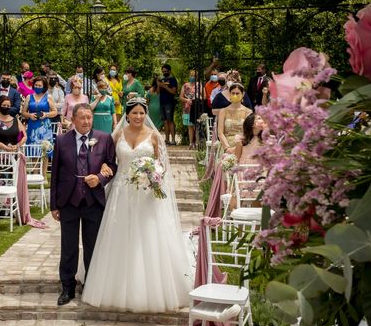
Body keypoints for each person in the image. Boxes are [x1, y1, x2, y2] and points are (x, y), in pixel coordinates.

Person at [81, 97, 194, 312]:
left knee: (147, 236)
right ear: (127, 114)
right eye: (134, 113)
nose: (139, 117)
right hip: (121, 192)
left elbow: (162, 166)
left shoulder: (154, 136)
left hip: (146, 194)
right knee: (120, 236)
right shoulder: (117, 135)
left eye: (142, 113)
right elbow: (107, 159)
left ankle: (151, 289)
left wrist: (154, 176)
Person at [50, 104, 117, 306]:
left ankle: (91, 284)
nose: (87, 121)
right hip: (68, 200)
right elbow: (55, 173)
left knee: (92, 246)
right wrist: (54, 204)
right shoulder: (62, 140)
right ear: (73, 119)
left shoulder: (104, 139)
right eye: (82, 118)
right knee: (68, 246)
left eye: (89, 118)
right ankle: (67, 287)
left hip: (93, 201)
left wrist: (99, 179)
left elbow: (112, 165)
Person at [217, 83, 252, 153]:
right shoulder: (223, 111)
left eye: (237, 93)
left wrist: (240, 146)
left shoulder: (248, 112)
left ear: (243, 94)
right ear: (229, 94)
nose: (235, 95)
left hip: (242, 145)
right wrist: (227, 148)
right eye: (233, 93)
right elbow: (220, 133)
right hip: (226, 146)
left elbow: (249, 133)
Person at [23, 77, 57, 144]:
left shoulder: (48, 97)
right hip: (32, 125)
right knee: (31, 147)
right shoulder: (29, 97)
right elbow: (23, 112)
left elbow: (55, 112)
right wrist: (29, 115)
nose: (37, 87)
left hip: (45, 126)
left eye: (39, 85)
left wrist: (46, 114)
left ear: (44, 86)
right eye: (36, 85)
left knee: (45, 147)